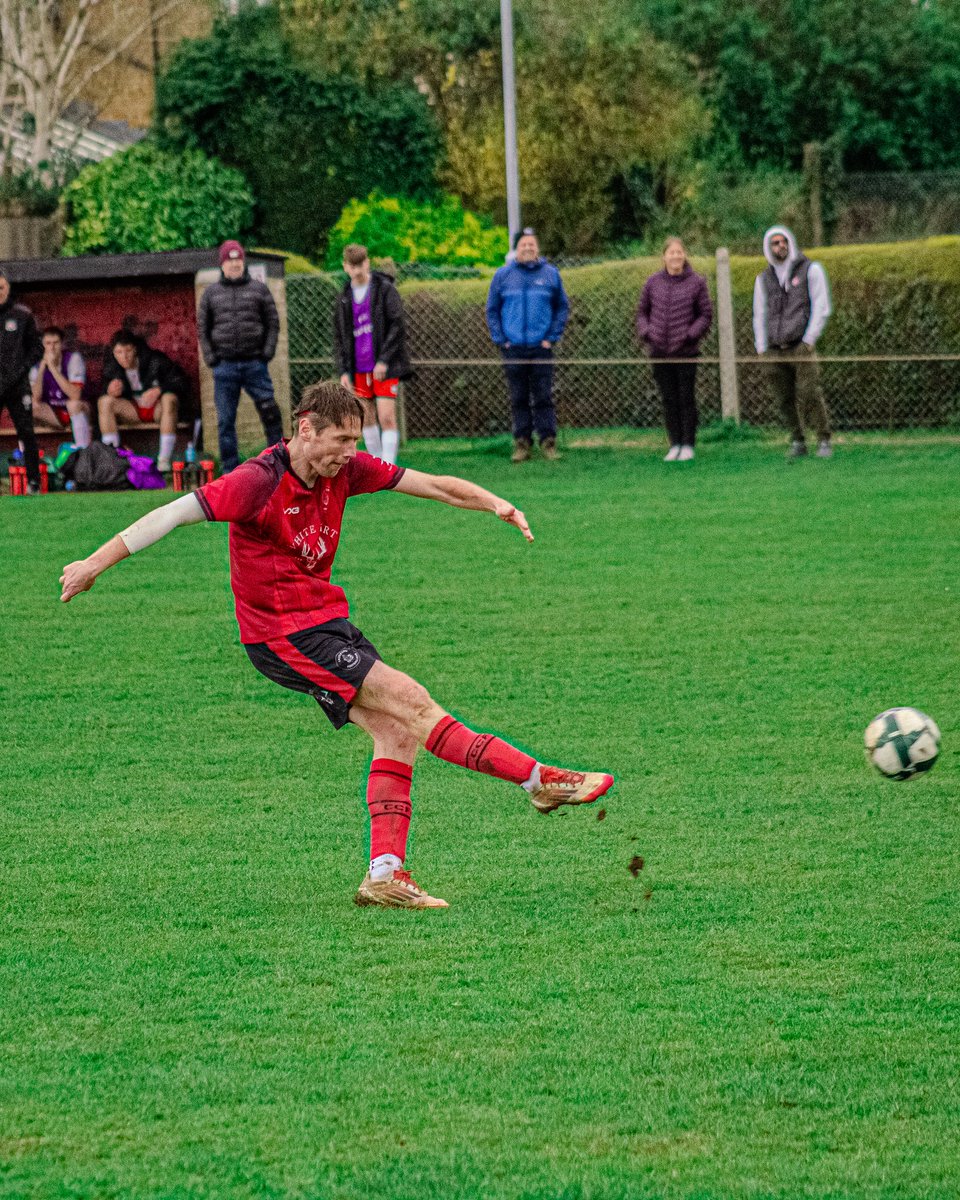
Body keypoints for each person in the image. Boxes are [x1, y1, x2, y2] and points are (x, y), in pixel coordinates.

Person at [60, 380, 613, 910]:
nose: (352, 452)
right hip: (281, 634)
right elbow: (170, 514)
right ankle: (538, 780)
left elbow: (432, 484)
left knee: (397, 729)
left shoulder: (346, 470)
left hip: (325, 622)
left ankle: (384, 876)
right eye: (342, 440)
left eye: (357, 440)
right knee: (414, 702)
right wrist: (92, 564)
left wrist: (494, 502)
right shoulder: (257, 480)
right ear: (306, 429)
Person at [197, 240, 284, 474]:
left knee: (270, 413)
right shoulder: (210, 294)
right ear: (222, 264)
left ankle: (277, 465)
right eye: (229, 260)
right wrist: (211, 358)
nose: (234, 264)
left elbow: (273, 323)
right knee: (225, 421)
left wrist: (267, 353)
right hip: (224, 367)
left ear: (243, 262)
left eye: (238, 259)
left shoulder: (259, 289)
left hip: (255, 364)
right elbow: (202, 328)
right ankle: (230, 472)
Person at [485, 228, 569, 463]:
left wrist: (551, 337)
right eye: (524, 244)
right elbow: (492, 310)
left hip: (541, 348)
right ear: (516, 248)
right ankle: (522, 443)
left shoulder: (551, 275)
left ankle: (548, 442)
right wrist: (502, 340)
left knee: (543, 396)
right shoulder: (503, 275)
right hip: (513, 349)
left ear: (537, 248)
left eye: (532, 244)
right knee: (518, 397)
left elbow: (562, 307)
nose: (528, 248)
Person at [753, 225, 833, 458]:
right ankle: (798, 440)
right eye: (775, 243)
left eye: (783, 241)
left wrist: (809, 338)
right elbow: (759, 314)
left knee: (809, 392)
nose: (781, 246)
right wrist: (762, 348)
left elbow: (821, 305)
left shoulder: (810, 269)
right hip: (773, 349)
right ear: (769, 248)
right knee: (783, 398)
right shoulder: (763, 279)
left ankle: (823, 439)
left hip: (800, 344)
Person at [636, 238, 713, 462]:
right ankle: (674, 443)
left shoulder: (697, 282)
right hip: (659, 351)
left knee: (686, 398)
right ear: (664, 256)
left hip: (686, 352)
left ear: (685, 255)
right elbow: (642, 312)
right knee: (668, 399)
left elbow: (705, 314)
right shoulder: (653, 282)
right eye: (671, 252)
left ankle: (688, 444)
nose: (676, 256)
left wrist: (690, 335)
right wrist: (647, 332)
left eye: (679, 252)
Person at [333, 244, 411, 466]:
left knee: (386, 416)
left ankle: (388, 466)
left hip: (384, 366)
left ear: (367, 263)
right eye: (352, 265)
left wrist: (384, 360)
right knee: (365, 417)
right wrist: (344, 371)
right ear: (345, 267)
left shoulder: (384, 289)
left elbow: (397, 325)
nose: (357, 270)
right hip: (358, 367)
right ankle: (377, 464)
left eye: (361, 264)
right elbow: (339, 337)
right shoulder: (343, 297)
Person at [98, 331, 190, 472]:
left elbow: (182, 382)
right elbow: (100, 391)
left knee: (169, 398)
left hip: (158, 410)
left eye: (128, 350)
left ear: (135, 349)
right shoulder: (111, 366)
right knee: (104, 402)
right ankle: (113, 461)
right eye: (119, 352)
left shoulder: (155, 360)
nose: (124, 356)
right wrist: (109, 390)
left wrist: (159, 390)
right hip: (132, 410)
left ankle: (163, 462)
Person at [0, 265, 43, 493]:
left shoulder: (22, 315)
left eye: (1, 287)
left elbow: (37, 349)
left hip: (17, 385)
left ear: (8, 287)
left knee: (26, 432)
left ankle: (34, 482)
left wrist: (21, 370)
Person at [30, 326, 91, 448]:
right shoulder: (36, 365)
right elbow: (36, 398)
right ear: (42, 345)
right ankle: (26, 455)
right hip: (55, 415)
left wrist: (52, 368)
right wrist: (42, 368)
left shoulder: (73, 359)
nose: (52, 348)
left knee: (73, 404)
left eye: (56, 343)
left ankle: (83, 450)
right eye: (48, 343)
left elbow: (76, 395)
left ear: (62, 344)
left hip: (79, 410)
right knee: (29, 406)